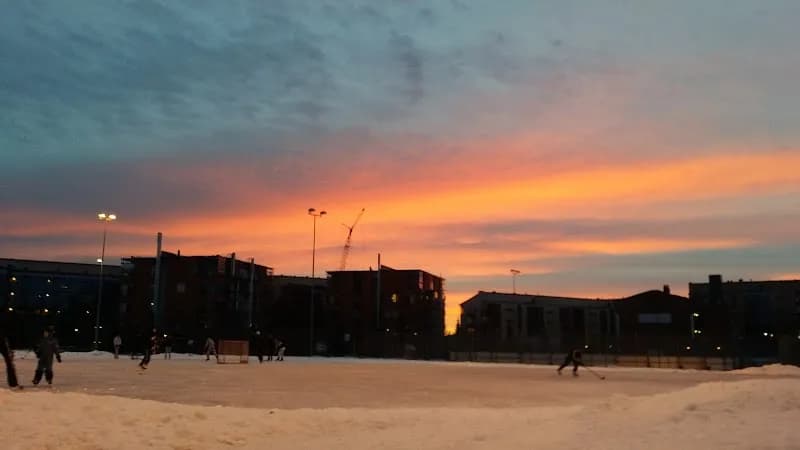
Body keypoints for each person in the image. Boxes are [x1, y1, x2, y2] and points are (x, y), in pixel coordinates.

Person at [1, 315, 20, 389]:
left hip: (4, 341)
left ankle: (13, 383)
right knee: (10, 364)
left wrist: (11, 348)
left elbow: (9, 332)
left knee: (10, 363)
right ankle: (13, 383)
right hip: (4, 341)